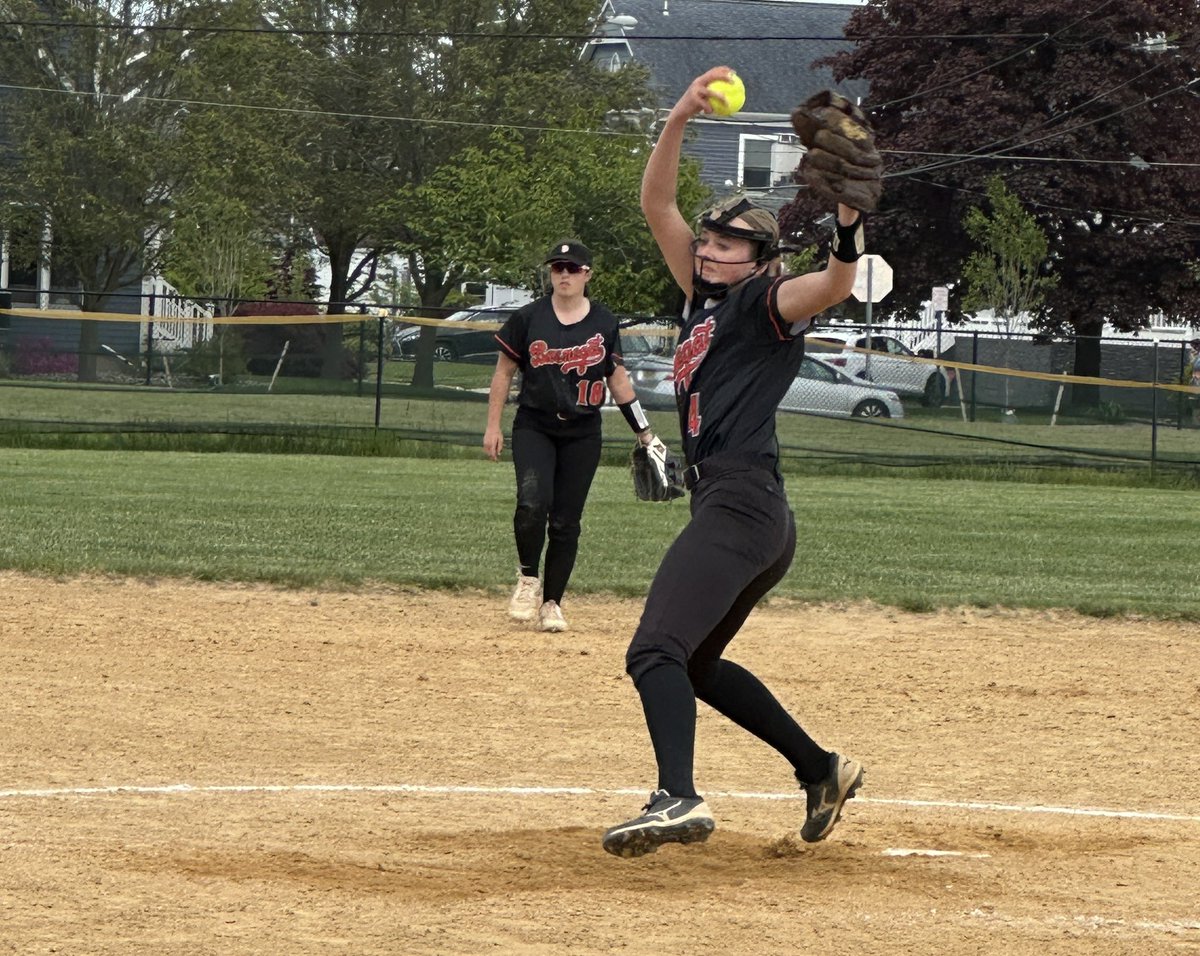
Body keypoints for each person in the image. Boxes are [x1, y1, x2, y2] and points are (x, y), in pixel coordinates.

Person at [601, 68, 871, 858]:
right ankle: (821, 769)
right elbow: (656, 204)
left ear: (758, 261)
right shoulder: (700, 299)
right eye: (710, 240)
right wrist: (681, 113)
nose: (710, 249)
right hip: (744, 511)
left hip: (742, 506)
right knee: (697, 664)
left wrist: (849, 228)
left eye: (729, 244)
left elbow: (833, 284)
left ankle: (677, 796)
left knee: (654, 652)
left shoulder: (764, 303)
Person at [484, 240, 656, 633]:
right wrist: (493, 426)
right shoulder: (529, 317)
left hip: (582, 432)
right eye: (558, 267)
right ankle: (528, 579)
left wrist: (645, 433)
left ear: (587, 275)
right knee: (532, 501)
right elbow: (503, 374)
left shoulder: (604, 322)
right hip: (535, 425)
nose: (564, 274)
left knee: (565, 521)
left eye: (572, 268)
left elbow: (619, 381)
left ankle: (552, 603)